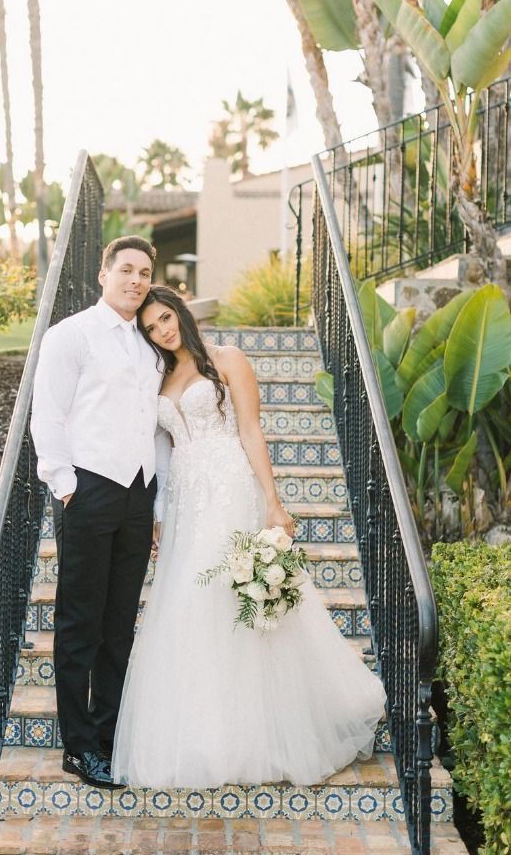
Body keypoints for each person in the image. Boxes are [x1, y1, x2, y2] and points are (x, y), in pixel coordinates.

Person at [112, 285, 387, 788]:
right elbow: (163, 451)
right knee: (189, 601)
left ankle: (270, 727)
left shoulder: (227, 358)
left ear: (181, 312)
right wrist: (158, 511)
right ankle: (204, 733)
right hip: (184, 499)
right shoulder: (157, 376)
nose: (162, 330)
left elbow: (251, 431)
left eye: (166, 318)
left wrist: (273, 502)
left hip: (231, 485)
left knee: (238, 594)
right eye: (151, 327)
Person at [31, 236, 165, 789]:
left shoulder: (150, 346)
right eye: (127, 269)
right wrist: (64, 484)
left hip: (136, 495)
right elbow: (49, 413)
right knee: (80, 622)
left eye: (145, 272)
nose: (136, 280)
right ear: (103, 274)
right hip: (87, 489)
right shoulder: (73, 335)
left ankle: (108, 737)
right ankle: (79, 746)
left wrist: (154, 500)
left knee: (118, 624)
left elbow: (153, 428)